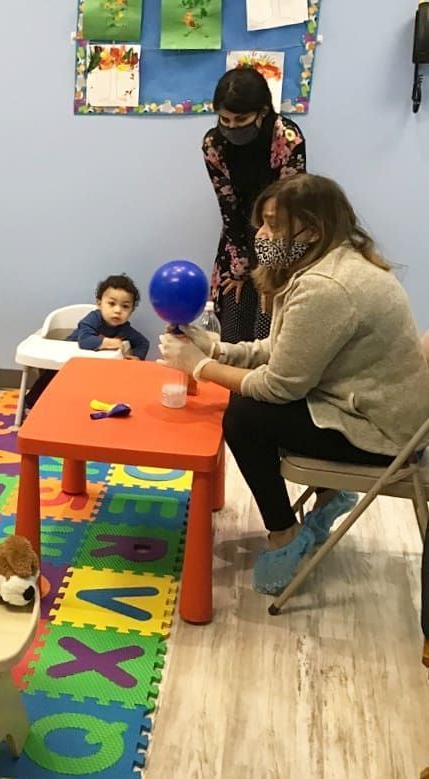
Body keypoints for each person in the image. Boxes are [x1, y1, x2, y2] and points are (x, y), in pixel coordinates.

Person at [158, 173, 429, 594]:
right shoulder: (326, 263)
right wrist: (216, 349)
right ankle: (329, 492)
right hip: (365, 406)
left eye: (274, 225)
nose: (261, 235)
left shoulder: (326, 287)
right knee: (247, 403)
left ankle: (284, 535)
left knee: (245, 417)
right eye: (262, 224)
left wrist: (198, 367)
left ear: (312, 229)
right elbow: (282, 349)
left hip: (384, 436)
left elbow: (279, 387)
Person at [204, 66, 306, 343]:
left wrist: (273, 271)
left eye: (241, 119)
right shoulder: (214, 144)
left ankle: (261, 388)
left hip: (281, 236)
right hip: (238, 238)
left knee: (268, 327)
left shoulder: (286, 138)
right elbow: (228, 207)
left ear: (262, 111)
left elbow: (289, 208)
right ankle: (233, 388)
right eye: (224, 119)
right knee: (233, 326)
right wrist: (239, 268)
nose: (232, 127)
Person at [24, 273, 150, 409]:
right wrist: (109, 342)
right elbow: (84, 341)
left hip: (89, 367)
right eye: (112, 303)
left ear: (131, 311)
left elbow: (143, 343)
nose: (118, 310)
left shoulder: (125, 329)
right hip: (65, 359)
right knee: (51, 375)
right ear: (100, 303)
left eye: (125, 306)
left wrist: (137, 358)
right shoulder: (92, 319)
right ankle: (30, 402)